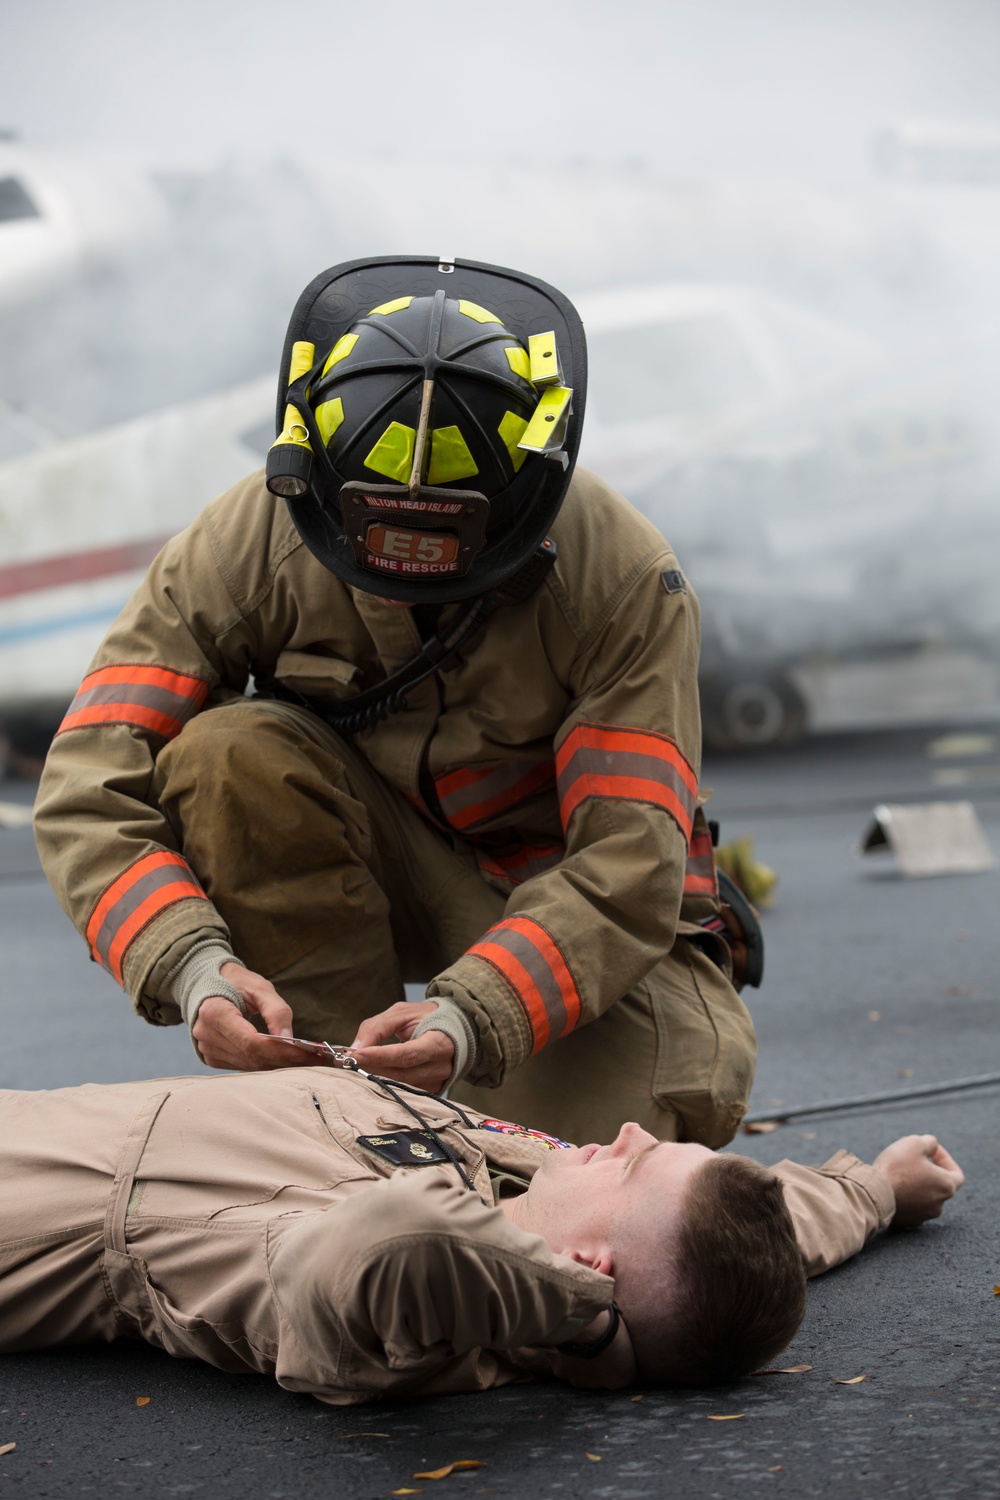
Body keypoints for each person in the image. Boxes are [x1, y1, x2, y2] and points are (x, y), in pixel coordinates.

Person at [35, 255, 763, 1147]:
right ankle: (338, 1115)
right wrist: (194, 969)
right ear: (323, 487)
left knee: (628, 1140)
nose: (404, 586)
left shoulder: (623, 581)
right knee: (230, 754)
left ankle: (430, 1110)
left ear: (522, 503)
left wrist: (473, 1019)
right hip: (357, 860)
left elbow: (630, 866)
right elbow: (85, 789)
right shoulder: (242, 544)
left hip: (549, 900)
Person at [0, 1066, 963, 1401]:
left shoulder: (405, 1326)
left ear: (582, 1272)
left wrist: (586, 1325)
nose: (627, 1135)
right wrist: (872, 1190)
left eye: (633, 1164)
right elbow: (743, 1245)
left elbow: (393, 1240)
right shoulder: (541, 1201)